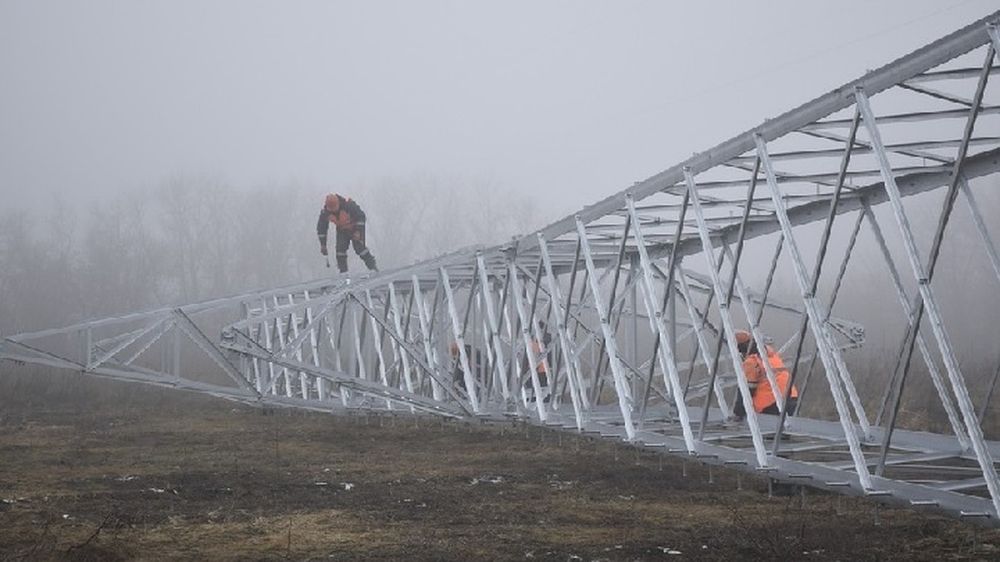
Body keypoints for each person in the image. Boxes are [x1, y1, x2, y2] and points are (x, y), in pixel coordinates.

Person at [732, 329, 798, 420]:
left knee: (763, 427)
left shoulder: (751, 361)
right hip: (791, 397)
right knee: (783, 427)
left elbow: (746, 391)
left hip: (771, 403)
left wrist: (738, 412)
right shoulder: (772, 356)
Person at [317, 193, 377, 273]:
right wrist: (323, 244)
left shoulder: (349, 206)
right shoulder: (325, 213)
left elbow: (361, 216)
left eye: (334, 207)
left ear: (338, 203)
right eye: (331, 209)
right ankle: (343, 273)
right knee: (340, 252)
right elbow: (321, 229)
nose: (333, 210)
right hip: (342, 230)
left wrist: (358, 231)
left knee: (360, 248)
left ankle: (373, 268)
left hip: (355, 227)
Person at [521, 321, 552, 403]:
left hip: (540, 368)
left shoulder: (544, 340)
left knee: (540, 386)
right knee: (537, 386)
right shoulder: (535, 340)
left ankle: (538, 399)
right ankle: (536, 399)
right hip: (537, 368)